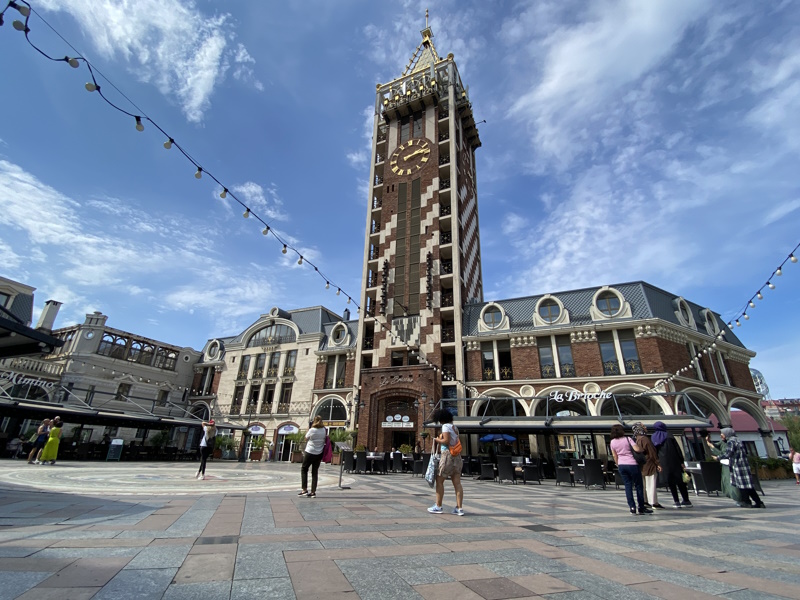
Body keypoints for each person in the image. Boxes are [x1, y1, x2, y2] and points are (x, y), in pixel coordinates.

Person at [713, 427, 765, 508]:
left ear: (727, 434)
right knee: (748, 485)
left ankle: (746, 502)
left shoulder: (731, 441)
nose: (721, 435)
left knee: (742, 485)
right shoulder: (737, 440)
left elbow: (728, 453)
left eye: (722, 433)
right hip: (743, 465)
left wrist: (718, 458)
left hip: (738, 465)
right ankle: (758, 502)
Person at [427, 408, 464, 516]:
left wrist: (437, 439)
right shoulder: (454, 427)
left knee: (439, 481)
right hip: (457, 456)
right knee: (457, 483)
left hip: (447, 455)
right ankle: (459, 508)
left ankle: (438, 506)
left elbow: (446, 441)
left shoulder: (445, 426)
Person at [609, 424, 651, 515]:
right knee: (639, 486)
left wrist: (618, 463)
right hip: (632, 464)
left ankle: (632, 507)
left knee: (628, 486)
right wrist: (640, 449)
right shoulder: (628, 439)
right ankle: (641, 507)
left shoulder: (612, 442)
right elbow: (637, 449)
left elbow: (614, 455)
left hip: (621, 465)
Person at [651, 421, 692, 508]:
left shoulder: (654, 437)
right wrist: (681, 461)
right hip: (675, 461)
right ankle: (686, 500)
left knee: (671, 482)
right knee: (680, 481)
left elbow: (654, 451)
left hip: (664, 462)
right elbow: (678, 449)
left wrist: (657, 463)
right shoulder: (669, 435)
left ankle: (676, 501)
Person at [633, 422, 663, 509]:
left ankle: (645, 501)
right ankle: (653, 502)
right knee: (651, 483)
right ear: (639, 429)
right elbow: (652, 452)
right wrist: (657, 463)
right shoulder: (645, 439)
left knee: (644, 485)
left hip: (641, 465)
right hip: (649, 464)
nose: (645, 427)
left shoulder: (636, 439)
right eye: (643, 426)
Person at [703, 431, 740, 502]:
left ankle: (737, 497)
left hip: (730, 465)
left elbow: (724, 454)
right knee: (726, 481)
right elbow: (716, 445)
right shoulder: (723, 442)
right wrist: (709, 442)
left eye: (722, 434)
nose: (721, 436)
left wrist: (714, 450)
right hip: (724, 465)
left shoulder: (730, 443)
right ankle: (731, 495)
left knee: (731, 482)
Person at [299, 415, 326, 498]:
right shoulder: (323, 430)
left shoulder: (312, 430)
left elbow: (305, 438)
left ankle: (304, 489)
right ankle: (313, 492)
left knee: (304, 469)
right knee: (315, 472)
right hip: (319, 453)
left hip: (310, 452)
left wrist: (308, 429)